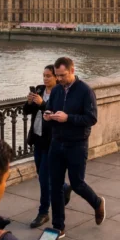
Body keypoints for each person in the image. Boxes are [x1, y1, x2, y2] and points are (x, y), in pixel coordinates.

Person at [46, 56, 105, 237]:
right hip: (56, 142)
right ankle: (58, 226)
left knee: (77, 183)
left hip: (77, 144)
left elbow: (91, 118)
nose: (59, 79)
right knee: (55, 185)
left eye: (62, 75)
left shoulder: (85, 91)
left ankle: (97, 203)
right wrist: (48, 115)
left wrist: (68, 118)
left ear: (72, 71)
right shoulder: (56, 90)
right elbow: (50, 107)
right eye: (57, 75)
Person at [24, 65, 72, 228]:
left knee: (44, 179)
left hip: (51, 140)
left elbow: (56, 113)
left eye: (48, 76)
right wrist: (29, 102)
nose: (45, 79)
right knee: (41, 173)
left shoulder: (60, 93)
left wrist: (42, 103)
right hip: (37, 138)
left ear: (56, 77)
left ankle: (43, 212)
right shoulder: (39, 89)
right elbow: (26, 111)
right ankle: (63, 187)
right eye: (44, 75)